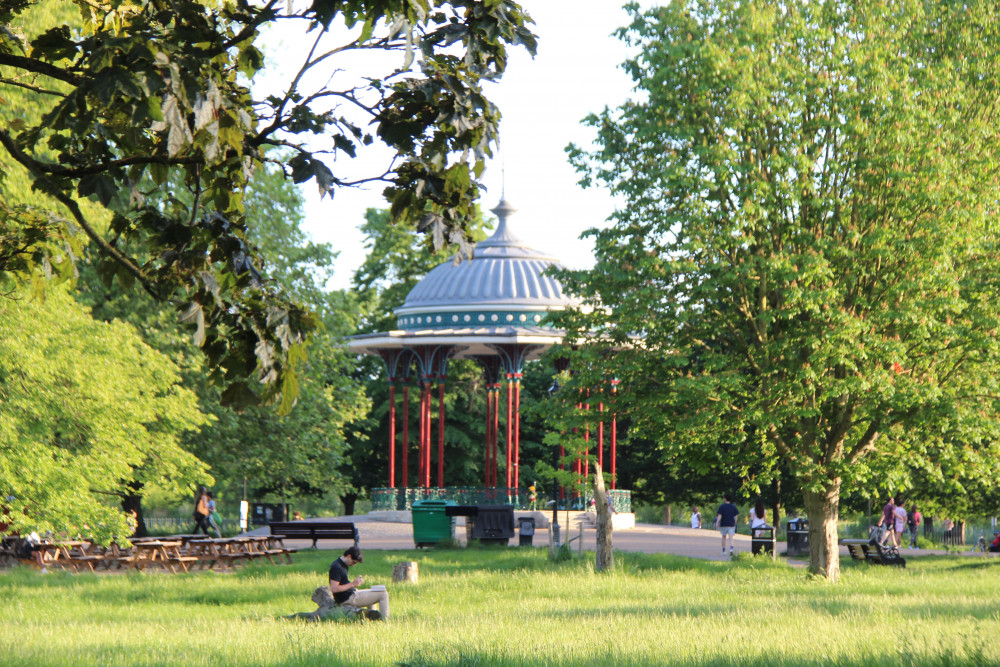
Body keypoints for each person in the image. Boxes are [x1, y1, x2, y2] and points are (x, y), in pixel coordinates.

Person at [328, 546, 389, 620]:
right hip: (348, 598)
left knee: (375, 592)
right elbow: (334, 588)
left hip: (350, 594)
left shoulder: (342, 564)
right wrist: (353, 584)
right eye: (354, 562)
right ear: (349, 556)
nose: (353, 565)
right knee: (383, 594)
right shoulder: (337, 567)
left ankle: (373, 617)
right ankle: (385, 619)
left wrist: (355, 583)